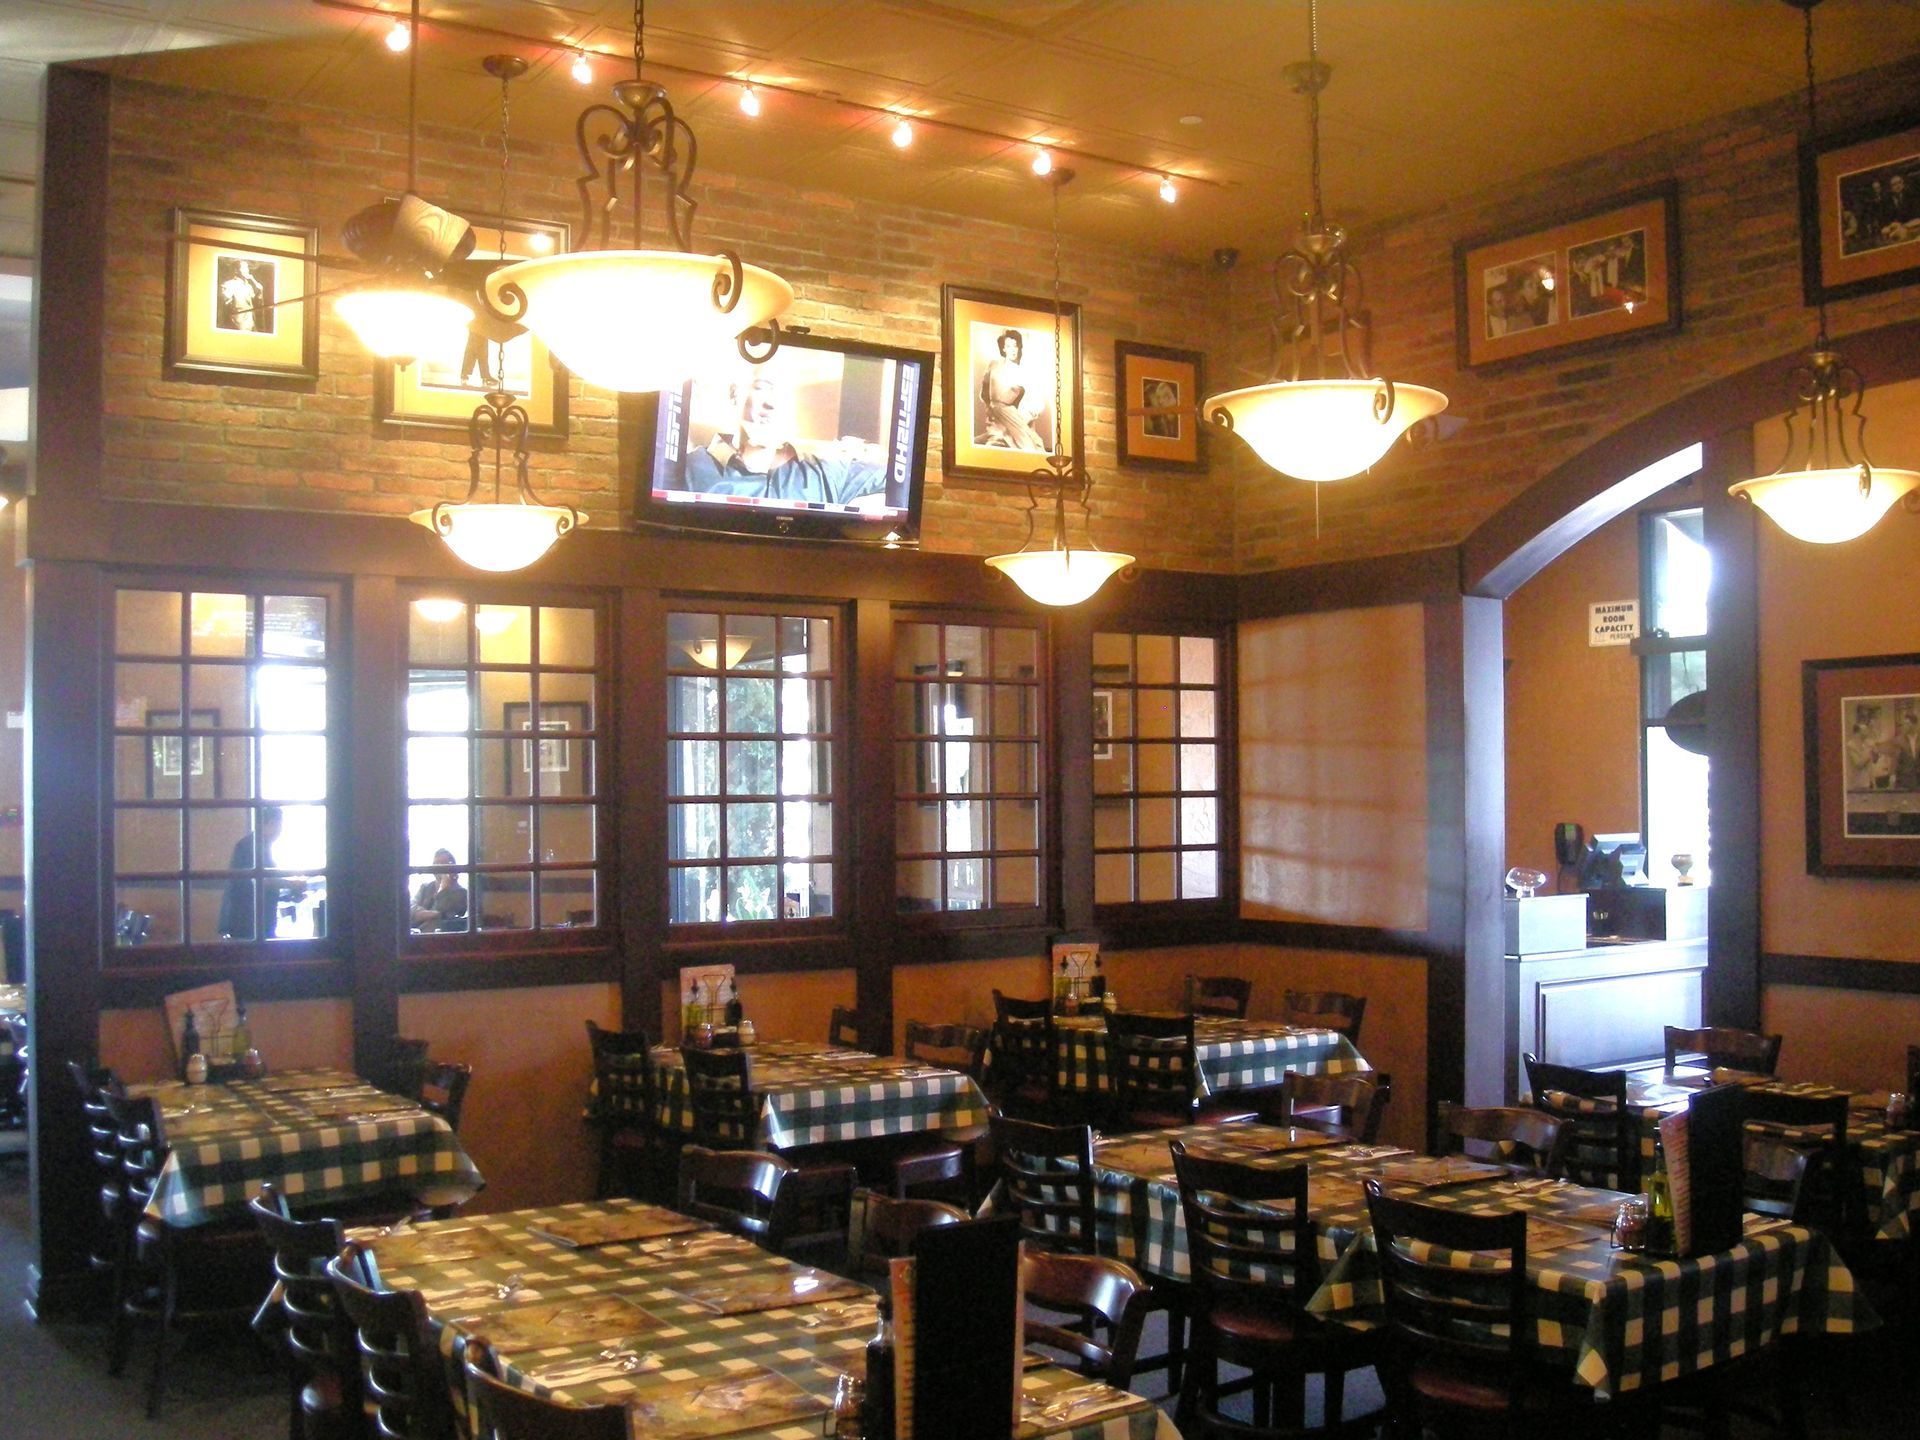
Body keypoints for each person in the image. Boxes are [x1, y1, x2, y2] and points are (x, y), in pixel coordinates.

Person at [679, 372, 886, 506]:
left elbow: (898, 479)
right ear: (735, 396)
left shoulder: (826, 472)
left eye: (781, 394)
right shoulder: (688, 470)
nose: (772, 404)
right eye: (761, 387)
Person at [218, 805, 287, 940]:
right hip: (246, 922)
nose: (281, 831)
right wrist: (292, 884)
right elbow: (261, 881)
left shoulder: (258, 845)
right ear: (271, 823)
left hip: (254, 921)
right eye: (280, 825)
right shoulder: (250, 847)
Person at [977, 328, 1047, 451]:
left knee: (1034, 445)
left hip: (1017, 417)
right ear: (1003, 349)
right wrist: (993, 407)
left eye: (1015, 346)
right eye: (1009, 346)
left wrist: (1021, 419)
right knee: (994, 438)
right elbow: (984, 394)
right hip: (997, 416)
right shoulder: (995, 366)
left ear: (1019, 347)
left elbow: (1037, 403)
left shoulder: (1023, 371)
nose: (1013, 350)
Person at [411, 849, 469, 932]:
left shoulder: (461, 892)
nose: (438, 867)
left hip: (439, 936)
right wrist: (437, 914)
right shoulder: (425, 887)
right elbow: (411, 909)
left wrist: (443, 886)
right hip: (416, 932)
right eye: (435, 864)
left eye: (442, 864)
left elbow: (442, 907)